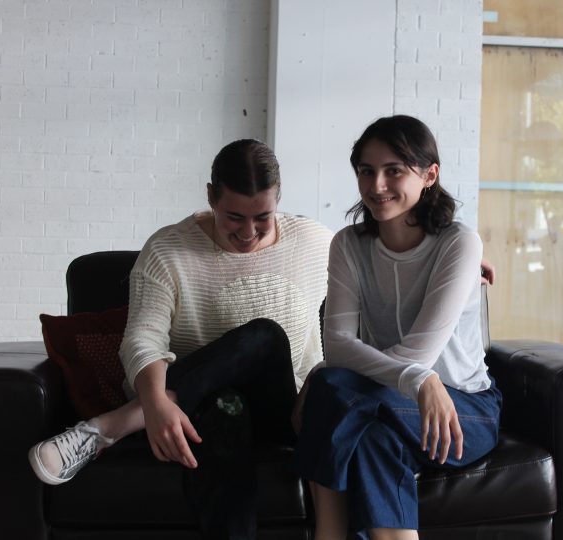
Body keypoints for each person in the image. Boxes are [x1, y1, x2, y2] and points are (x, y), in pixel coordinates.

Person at [28, 138, 333, 539]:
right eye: (234, 217)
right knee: (228, 406)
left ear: (278, 198)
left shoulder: (316, 243)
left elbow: (367, 307)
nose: (249, 232)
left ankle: (111, 426)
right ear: (210, 196)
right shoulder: (168, 250)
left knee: (266, 336)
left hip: (286, 411)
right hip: (198, 410)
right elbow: (142, 338)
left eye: (263, 216)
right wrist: (155, 404)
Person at [292, 115, 503, 540]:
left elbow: (414, 357)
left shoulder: (459, 243)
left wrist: (418, 378)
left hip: (465, 409)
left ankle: (327, 533)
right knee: (370, 439)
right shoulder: (349, 246)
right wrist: (420, 381)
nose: (377, 185)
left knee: (328, 386)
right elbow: (338, 346)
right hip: (388, 405)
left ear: (429, 175)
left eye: (394, 171)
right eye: (366, 171)